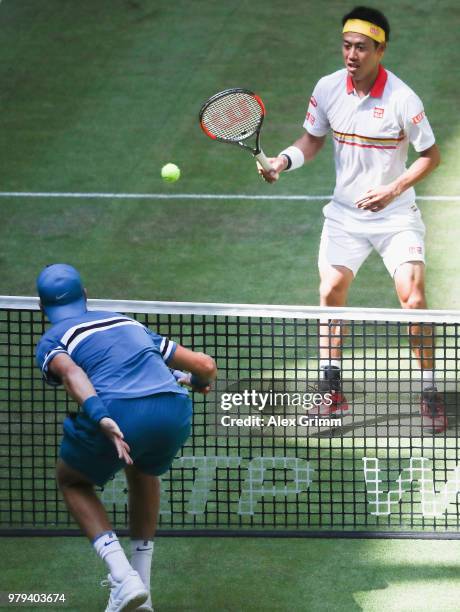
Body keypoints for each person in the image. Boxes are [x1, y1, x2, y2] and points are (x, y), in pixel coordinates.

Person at [258, 6, 446, 433]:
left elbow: (430, 156)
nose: (352, 55)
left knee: (413, 300)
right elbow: (312, 140)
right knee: (330, 291)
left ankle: (430, 389)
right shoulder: (327, 89)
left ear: (380, 49)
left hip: (396, 215)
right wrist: (282, 162)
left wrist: (392, 189)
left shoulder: (403, 98)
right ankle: (331, 391)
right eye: (347, 45)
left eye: (362, 47)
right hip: (345, 216)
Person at [35, 264, 217, 612]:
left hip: (118, 410)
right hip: (172, 410)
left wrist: (100, 415)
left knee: (71, 481)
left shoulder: (53, 340)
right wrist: (195, 382)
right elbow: (205, 367)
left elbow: (72, 372)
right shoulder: (126, 322)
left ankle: (122, 576)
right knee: (144, 470)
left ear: (42, 308)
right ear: (85, 296)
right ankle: (143, 591)